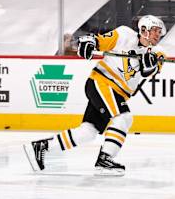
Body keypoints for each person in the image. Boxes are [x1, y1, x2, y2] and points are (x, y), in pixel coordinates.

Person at [23, 15, 167, 176]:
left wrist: (149, 63)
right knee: (123, 117)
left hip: (117, 93)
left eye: (159, 32)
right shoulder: (124, 34)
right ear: (143, 30)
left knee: (88, 131)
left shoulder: (159, 52)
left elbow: (149, 71)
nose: (157, 35)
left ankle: (42, 147)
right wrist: (89, 43)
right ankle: (105, 159)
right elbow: (99, 41)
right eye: (154, 30)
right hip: (102, 83)